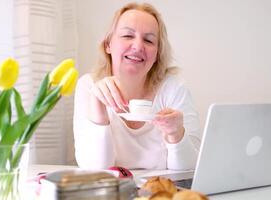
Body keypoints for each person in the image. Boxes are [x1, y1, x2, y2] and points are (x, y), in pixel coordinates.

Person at [73, 2, 200, 170]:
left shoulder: (174, 89)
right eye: (127, 36)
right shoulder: (88, 86)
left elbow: (189, 169)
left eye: (148, 40)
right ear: (108, 45)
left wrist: (176, 133)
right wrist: (98, 109)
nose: (138, 46)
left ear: (157, 54)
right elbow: (94, 169)